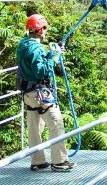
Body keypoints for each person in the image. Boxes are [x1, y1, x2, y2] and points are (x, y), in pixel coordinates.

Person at [15, 14, 76, 172]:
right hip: (40, 92)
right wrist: (54, 56)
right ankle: (59, 161)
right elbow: (40, 70)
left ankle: (38, 161)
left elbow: (35, 64)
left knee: (34, 127)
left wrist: (51, 54)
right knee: (56, 123)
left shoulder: (23, 44)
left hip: (28, 93)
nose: (45, 31)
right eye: (44, 28)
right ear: (40, 30)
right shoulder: (36, 48)